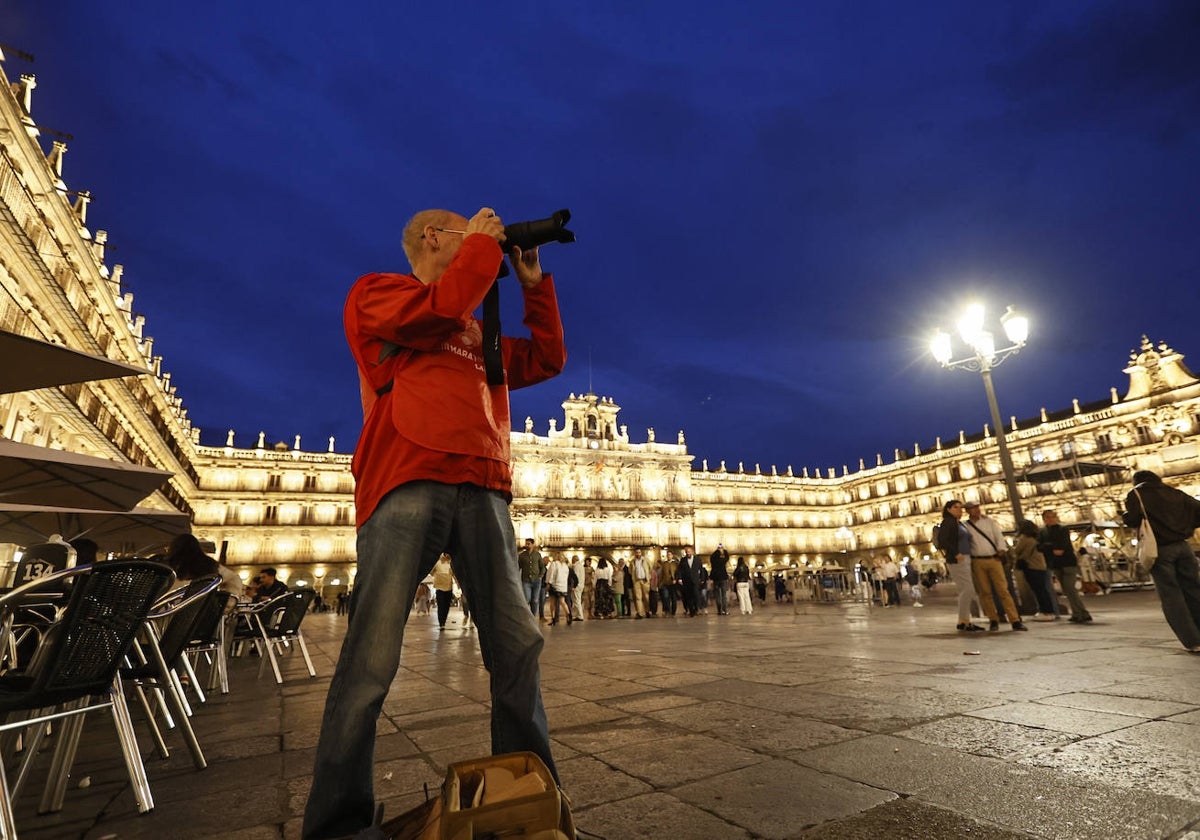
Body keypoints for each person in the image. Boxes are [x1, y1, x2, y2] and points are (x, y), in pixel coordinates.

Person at [303, 206, 566, 839]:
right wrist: (483, 248)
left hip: (482, 483)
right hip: (408, 476)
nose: (483, 241)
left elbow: (549, 360)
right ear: (432, 238)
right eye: (467, 232)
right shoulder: (378, 294)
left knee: (517, 646)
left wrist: (533, 287)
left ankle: (529, 796)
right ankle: (337, 825)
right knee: (371, 656)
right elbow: (439, 308)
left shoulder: (477, 330)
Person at [1122, 470, 1200, 652]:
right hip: (1184, 546)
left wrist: (1125, 516)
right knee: (1194, 590)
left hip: (1160, 549)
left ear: (1137, 481)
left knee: (1171, 595)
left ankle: (1193, 641)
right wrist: (1185, 527)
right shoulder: (1174, 492)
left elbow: (1133, 519)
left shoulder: (1137, 494)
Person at [964, 502, 1027, 632]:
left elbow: (998, 535)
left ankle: (1015, 620)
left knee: (1003, 590)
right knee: (985, 592)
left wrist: (1001, 549)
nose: (977, 510)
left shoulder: (989, 522)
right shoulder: (965, 526)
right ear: (968, 511)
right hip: (977, 561)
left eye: (977, 507)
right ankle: (993, 619)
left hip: (994, 559)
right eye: (973, 508)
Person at [936, 500, 984, 632]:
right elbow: (943, 540)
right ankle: (963, 621)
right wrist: (955, 553)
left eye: (960, 507)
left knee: (966, 589)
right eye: (956, 507)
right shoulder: (948, 522)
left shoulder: (958, 523)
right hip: (958, 559)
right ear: (948, 510)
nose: (960, 510)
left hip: (965, 557)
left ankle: (964, 620)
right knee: (967, 589)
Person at [1039, 509, 1092, 623]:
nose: (1050, 519)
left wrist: (1048, 547)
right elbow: (1040, 547)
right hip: (1055, 564)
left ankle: (1080, 613)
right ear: (1044, 519)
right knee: (1067, 590)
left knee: (1070, 589)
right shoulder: (1042, 532)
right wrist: (1051, 547)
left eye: (1052, 516)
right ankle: (1081, 613)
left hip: (1068, 563)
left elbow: (1060, 549)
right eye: (1047, 517)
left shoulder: (1063, 529)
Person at [1012, 519, 1057, 620]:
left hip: (1031, 566)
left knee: (1038, 590)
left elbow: (1016, 551)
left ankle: (1045, 612)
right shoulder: (1036, 537)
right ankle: (1049, 611)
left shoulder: (1024, 538)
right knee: (1043, 589)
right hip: (1041, 566)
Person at [518, 538, 546, 617]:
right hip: (526, 580)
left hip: (537, 580)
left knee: (535, 600)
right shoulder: (522, 555)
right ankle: (527, 616)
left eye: (528, 544)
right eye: (526, 543)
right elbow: (518, 567)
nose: (527, 545)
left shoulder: (537, 555)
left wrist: (540, 576)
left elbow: (542, 567)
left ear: (533, 545)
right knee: (527, 599)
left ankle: (533, 616)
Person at [544, 554, 572, 626]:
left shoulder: (554, 564)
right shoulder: (565, 566)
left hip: (554, 585)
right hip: (562, 586)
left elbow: (551, 574)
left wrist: (548, 583)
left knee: (552, 603)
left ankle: (553, 618)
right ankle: (568, 615)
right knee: (562, 602)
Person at [431, 553, 455, 630]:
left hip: (449, 586)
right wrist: (438, 575)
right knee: (441, 605)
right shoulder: (437, 562)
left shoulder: (451, 563)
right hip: (439, 587)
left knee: (447, 606)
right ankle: (441, 623)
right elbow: (431, 572)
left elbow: (453, 573)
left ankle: (443, 621)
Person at [676, 545, 701, 617]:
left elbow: (701, 569)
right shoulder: (683, 560)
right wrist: (680, 578)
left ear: (692, 552)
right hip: (686, 580)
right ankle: (691, 611)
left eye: (689, 552)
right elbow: (680, 570)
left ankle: (696, 608)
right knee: (689, 596)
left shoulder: (697, 559)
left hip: (695, 580)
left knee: (696, 595)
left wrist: (701, 578)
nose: (688, 553)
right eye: (686, 552)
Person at [630, 549, 651, 619]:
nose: (638, 554)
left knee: (646, 597)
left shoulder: (646, 560)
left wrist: (648, 577)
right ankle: (639, 613)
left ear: (641, 553)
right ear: (635, 553)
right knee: (638, 597)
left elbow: (651, 568)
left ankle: (647, 611)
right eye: (636, 552)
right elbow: (631, 571)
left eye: (639, 552)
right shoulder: (632, 561)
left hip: (644, 580)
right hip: (637, 581)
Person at [709, 545, 730, 615]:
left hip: (715, 579)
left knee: (717, 595)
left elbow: (712, 556)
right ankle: (725, 610)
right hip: (723, 578)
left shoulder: (713, 559)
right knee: (724, 595)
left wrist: (717, 550)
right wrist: (724, 551)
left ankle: (719, 610)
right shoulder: (722, 560)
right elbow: (727, 557)